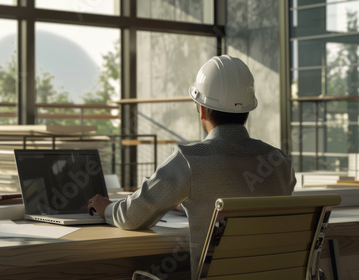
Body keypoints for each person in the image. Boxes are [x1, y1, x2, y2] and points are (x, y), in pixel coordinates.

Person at [87, 55, 296, 277]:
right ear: (247, 111)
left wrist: (107, 207)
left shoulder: (191, 159)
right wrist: (192, 201)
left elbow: (133, 216)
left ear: (203, 110)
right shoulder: (279, 161)